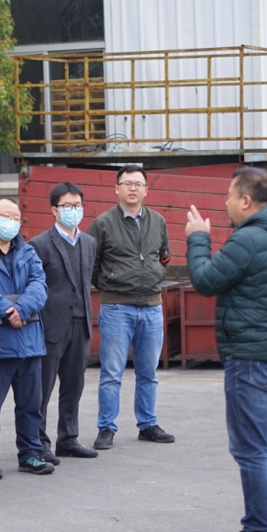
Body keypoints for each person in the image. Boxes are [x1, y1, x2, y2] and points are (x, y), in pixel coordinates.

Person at [185, 167, 267, 532]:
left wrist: (198, 238)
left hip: (251, 358)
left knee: (251, 450)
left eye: (229, 196)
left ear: (246, 201)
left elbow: (205, 280)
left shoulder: (249, 239)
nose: (225, 203)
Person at [88, 164, 176, 450]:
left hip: (151, 307)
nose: (132, 188)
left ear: (146, 190)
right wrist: (110, 283)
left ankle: (147, 424)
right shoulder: (102, 223)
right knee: (111, 374)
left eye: (138, 184)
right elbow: (91, 264)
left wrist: (155, 277)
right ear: (117, 189)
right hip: (116, 308)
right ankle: (106, 427)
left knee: (148, 372)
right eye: (127, 183)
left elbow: (163, 256)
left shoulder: (158, 221)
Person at [0, 198, 52, 478]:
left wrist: (22, 309)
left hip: (30, 342)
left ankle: (31, 454)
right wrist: (8, 311)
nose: (12, 222)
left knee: (31, 405)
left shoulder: (28, 252)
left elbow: (39, 285)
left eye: (16, 218)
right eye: (6, 216)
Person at [29, 182, 99, 461]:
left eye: (77, 206)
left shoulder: (89, 242)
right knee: (42, 388)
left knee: (73, 385)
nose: (73, 211)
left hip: (81, 323)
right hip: (51, 325)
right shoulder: (39, 244)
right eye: (67, 206)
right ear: (54, 210)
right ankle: (38, 443)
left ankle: (68, 439)